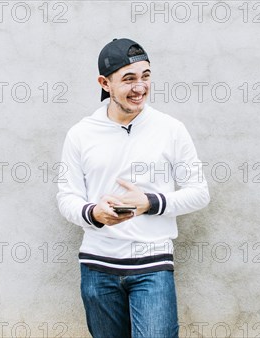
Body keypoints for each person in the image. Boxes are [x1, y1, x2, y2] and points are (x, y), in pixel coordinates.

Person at [56, 38, 210, 338]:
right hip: (97, 268)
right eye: (129, 79)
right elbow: (67, 196)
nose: (140, 87)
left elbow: (200, 192)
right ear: (105, 83)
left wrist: (150, 202)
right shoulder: (80, 134)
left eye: (146, 76)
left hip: (152, 267)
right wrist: (94, 213)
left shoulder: (171, 129)